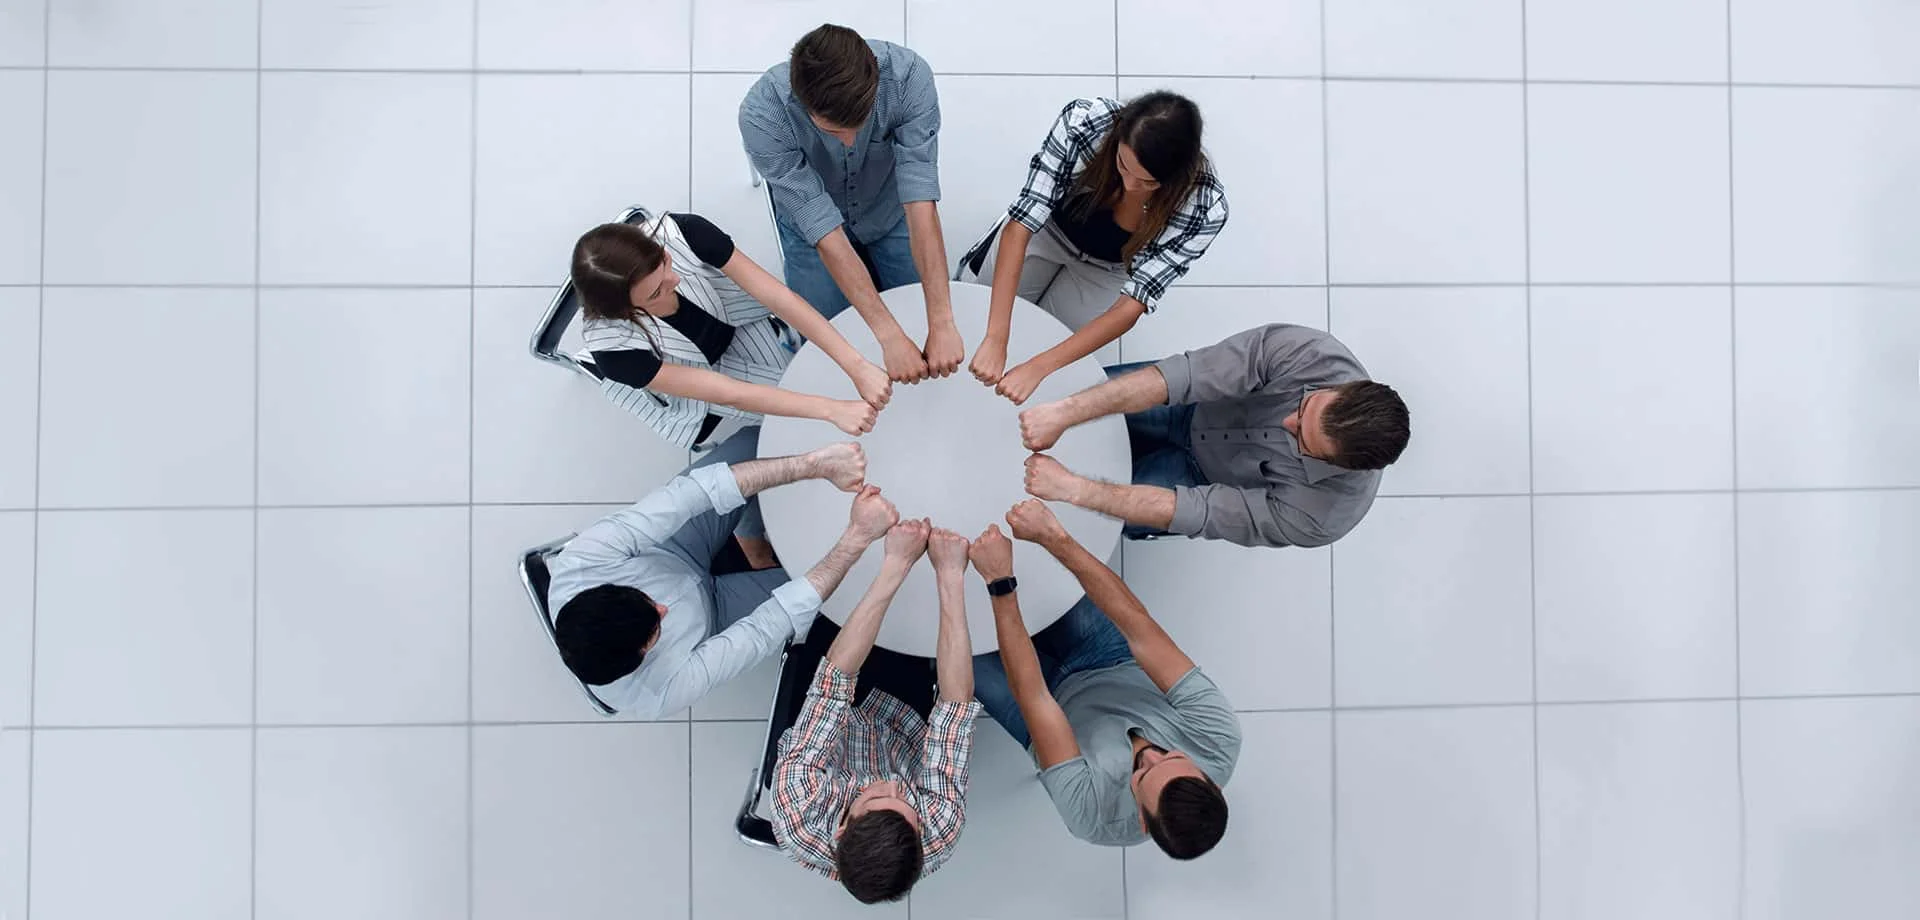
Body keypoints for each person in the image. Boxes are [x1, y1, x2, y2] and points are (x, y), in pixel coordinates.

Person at [545, 440, 896, 719]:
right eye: (657, 624)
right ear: (641, 656)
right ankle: (756, 536)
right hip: (715, 615)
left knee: (762, 442)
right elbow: (762, 629)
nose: (664, 607)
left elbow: (688, 496)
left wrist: (812, 464)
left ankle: (749, 530)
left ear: (605, 587)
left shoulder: (579, 564)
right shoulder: (657, 694)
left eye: (647, 598)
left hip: (674, 548)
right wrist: (856, 537)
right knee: (848, 589)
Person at [969, 501, 1240, 857]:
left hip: (1045, 715)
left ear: (1142, 820)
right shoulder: (1218, 738)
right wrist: (1055, 538)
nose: (1150, 755)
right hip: (1107, 659)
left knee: (951, 639)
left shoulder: (1092, 816)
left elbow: (1035, 698)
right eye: (1172, 757)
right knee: (1039, 562)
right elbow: (1137, 627)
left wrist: (1000, 583)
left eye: (1142, 773)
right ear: (1212, 781)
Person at [1017, 323, 1410, 548]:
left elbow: (1197, 511)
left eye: (1302, 443)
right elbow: (1188, 376)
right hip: (1192, 402)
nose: (1287, 423)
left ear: (1335, 465)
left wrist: (1074, 490)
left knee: (1075, 517)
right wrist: (1064, 412)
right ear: (1341, 387)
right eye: (1305, 407)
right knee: (1061, 399)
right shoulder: (1312, 354)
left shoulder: (1321, 517)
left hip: (1200, 480)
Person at [958, 92, 1228, 405]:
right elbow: (1021, 225)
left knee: (1049, 346)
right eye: (1123, 164)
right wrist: (996, 336)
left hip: (1109, 268)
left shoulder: (1205, 208)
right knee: (978, 319)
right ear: (1119, 134)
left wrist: (1037, 368)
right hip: (1048, 230)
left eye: (1148, 183)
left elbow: (1133, 304)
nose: (1130, 184)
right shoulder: (1085, 121)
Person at [739, 23, 963, 384]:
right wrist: (888, 337)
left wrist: (942, 322)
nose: (849, 142)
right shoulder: (764, 116)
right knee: (833, 348)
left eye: (860, 126)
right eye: (832, 132)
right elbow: (825, 231)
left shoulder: (909, 79)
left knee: (928, 321)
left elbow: (921, 205)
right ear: (800, 100)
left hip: (890, 214)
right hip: (810, 234)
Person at [771, 520, 982, 904]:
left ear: (840, 829)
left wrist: (895, 564)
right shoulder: (940, 830)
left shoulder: (799, 807)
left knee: (854, 592)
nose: (892, 785)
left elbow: (833, 685)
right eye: (907, 800)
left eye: (874, 797)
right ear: (921, 835)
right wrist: (950, 574)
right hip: (902, 720)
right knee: (916, 617)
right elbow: (954, 709)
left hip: (833, 719)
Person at [571, 211, 892, 449]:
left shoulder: (685, 232)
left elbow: (778, 297)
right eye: (656, 292)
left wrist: (856, 365)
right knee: (811, 421)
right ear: (627, 310)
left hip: (737, 320)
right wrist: (831, 410)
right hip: (693, 370)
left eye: (665, 264)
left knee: (822, 377)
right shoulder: (616, 352)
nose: (676, 280)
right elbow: (730, 392)